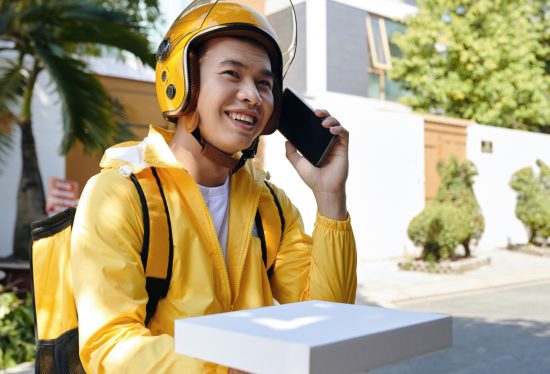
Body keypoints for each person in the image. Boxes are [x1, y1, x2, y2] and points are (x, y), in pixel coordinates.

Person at [70, 1, 357, 372]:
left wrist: (331, 199)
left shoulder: (269, 205)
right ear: (182, 82)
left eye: (264, 83)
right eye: (232, 74)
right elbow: (110, 345)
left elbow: (327, 321)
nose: (252, 95)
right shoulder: (121, 194)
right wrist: (236, 368)